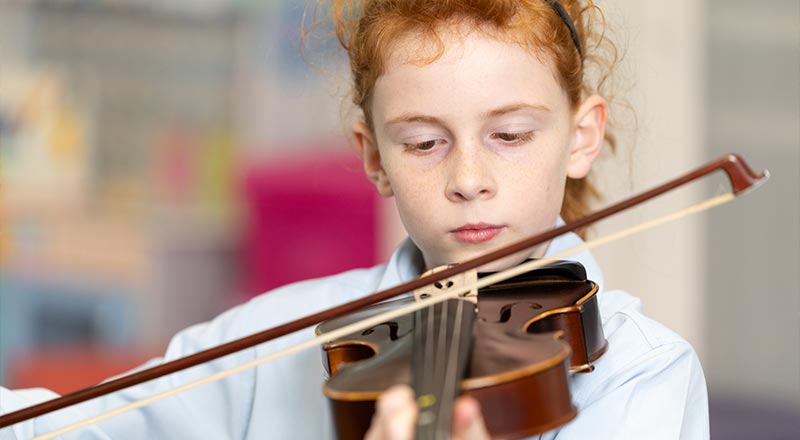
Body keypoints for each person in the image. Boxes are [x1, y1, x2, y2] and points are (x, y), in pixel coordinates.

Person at [0, 1, 709, 439]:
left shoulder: (642, 373)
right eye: (424, 143)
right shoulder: (279, 336)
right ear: (374, 157)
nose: (468, 179)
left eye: (512, 135)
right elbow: (70, 429)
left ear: (581, 136)